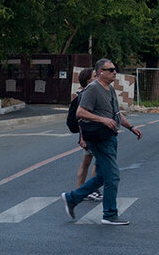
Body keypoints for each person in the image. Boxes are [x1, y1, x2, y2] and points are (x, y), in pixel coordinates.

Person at [61, 58, 143, 225]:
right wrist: (102, 120)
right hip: (99, 138)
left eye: (115, 69)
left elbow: (116, 113)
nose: (114, 72)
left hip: (109, 137)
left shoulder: (110, 89)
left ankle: (72, 198)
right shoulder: (92, 89)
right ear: (100, 72)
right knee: (112, 177)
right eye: (111, 69)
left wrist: (131, 127)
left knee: (101, 176)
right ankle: (110, 214)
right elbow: (80, 112)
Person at [73, 67, 102, 203]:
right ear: (88, 80)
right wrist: (83, 138)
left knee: (87, 162)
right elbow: (81, 119)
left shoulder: (87, 93)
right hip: (89, 134)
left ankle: (80, 191)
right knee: (98, 161)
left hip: (90, 133)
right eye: (95, 75)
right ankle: (89, 190)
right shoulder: (87, 94)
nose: (97, 77)